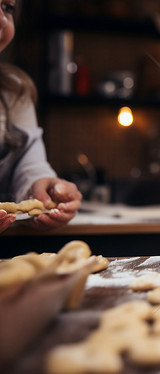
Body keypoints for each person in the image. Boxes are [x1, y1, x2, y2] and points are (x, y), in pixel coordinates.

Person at [0, 0, 81, 233]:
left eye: (7, 7)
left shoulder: (14, 92)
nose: (2, 20)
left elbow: (28, 162)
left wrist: (41, 187)